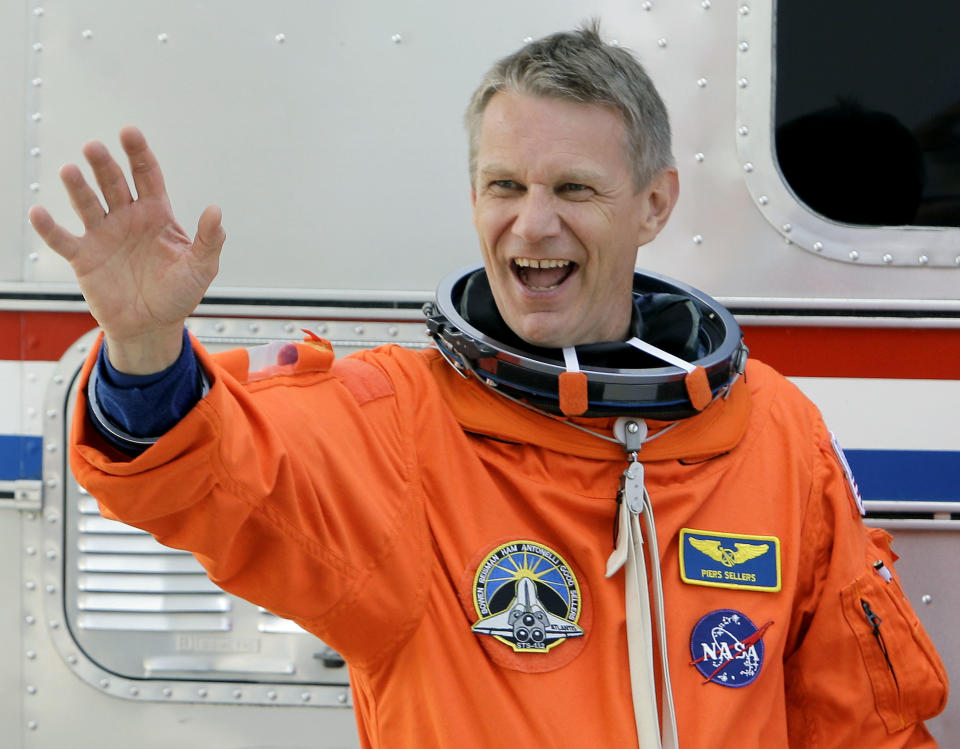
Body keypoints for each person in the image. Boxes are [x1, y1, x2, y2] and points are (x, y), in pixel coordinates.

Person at [29, 22, 947, 749]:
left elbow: (859, 724)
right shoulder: (399, 424)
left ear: (655, 205)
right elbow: (215, 473)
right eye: (502, 184)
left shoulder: (770, 431)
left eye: (574, 190)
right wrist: (143, 347)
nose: (530, 224)